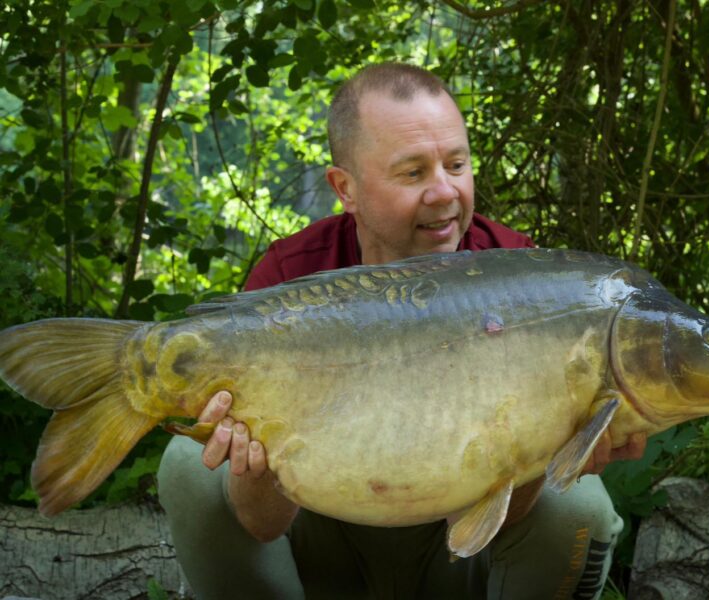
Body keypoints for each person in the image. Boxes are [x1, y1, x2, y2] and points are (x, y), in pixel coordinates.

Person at [158, 63, 647, 599]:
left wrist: (550, 446)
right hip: (323, 540)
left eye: (456, 165)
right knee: (189, 465)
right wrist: (257, 472)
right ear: (346, 188)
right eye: (413, 173)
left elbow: (506, 516)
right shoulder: (289, 283)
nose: (443, 192)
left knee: (579, 506)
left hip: (456, 552)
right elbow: (261, 524)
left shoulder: (525, 279)